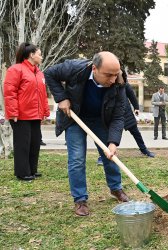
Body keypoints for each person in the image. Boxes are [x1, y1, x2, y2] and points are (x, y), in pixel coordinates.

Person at [45, 51, 130, 216]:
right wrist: (61, 98)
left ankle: (116, 188)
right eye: (108, 75)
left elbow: (118, 117)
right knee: (76, 158)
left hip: (101, 119)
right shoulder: (74, 68)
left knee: (110, 155)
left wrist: (113, 142)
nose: (113, 79)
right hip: (75, 118)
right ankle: (80, 199)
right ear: (94, 69)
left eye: (116, 74)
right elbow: (49, 73)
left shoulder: (119, 83)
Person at [4, 42, 50, 181]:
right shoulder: (16, 69)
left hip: (35, 115)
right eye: (39, 54)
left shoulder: (39, 73)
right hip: (20, 115)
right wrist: (13, 113)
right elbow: (9, 92)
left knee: (35, 142)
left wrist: (45, 112)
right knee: (23, 144)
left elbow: (43, 95)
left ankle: (32, 170)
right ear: (31, 55)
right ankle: (22, 172)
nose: (41, 57)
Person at [97, 72, 156, 165]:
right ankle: (102, 156)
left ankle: (144, 150)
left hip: (126, 113)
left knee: (136, 133)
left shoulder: (125, 85)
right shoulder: (107, 85)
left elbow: (132, 95)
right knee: (107, 136)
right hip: (112, 115)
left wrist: (136, 107)